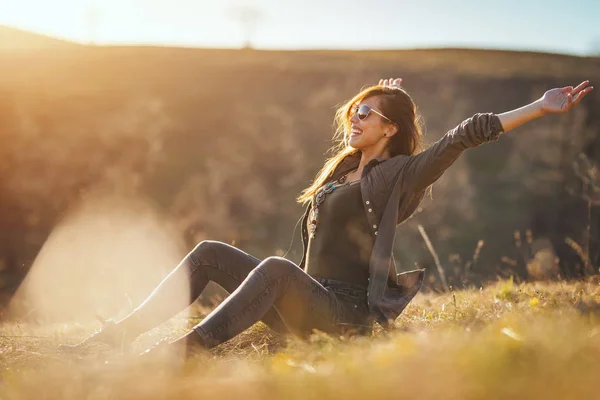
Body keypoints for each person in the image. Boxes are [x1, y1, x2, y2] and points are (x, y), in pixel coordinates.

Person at [60, 77, 593, 354]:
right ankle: (117, 336)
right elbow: (372, 124)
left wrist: (538, 108)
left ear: (391, 129)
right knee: (210, 253)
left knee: (272, 267)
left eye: (367, 114)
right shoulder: (344, 171)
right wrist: (384, 96)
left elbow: (463, 135)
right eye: (353, 110)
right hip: (303, 304)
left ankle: (184, 354)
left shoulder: (401, 174)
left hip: (343, 315)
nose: (354, 118)